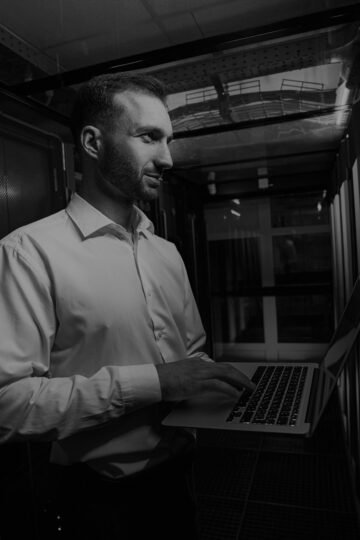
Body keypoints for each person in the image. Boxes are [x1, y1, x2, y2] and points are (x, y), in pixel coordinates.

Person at [0, 73, 254, 539]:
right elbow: (7, 405)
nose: (168, 158)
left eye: (169, 140)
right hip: (98, 504)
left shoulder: (166, 252)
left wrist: (225, 399)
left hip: (179, 482)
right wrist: (154, 382)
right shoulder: (28, 252)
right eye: (149, 137)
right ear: (93, 142)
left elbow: (191, 358)